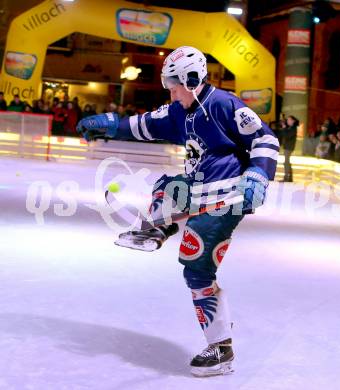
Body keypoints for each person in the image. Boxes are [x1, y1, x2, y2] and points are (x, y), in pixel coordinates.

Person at [76, 46, 279, 376]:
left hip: (228, 197)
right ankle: (158, 227)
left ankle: (221, 348)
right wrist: (109, 124)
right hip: (198, 187)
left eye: (174, 87)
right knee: (167, 187)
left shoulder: (224, 104)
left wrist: (259, 172)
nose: (170, 93)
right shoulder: (179, 111)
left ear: (193, 79)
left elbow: (264, 138)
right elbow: (144, 124)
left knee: (196, 266)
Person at [280, 115, 298, 182]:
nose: (288, 121)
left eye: (289, 120)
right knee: (287, 162)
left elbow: (287, 136)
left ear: (293, 121)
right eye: (287, 120)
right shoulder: (290, 128)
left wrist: (284, 128)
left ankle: (287, 177)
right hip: (287, 147)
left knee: (286, 162)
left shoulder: (293, 128)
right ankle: (289, 178)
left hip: (289, 147)